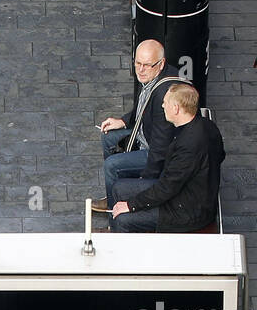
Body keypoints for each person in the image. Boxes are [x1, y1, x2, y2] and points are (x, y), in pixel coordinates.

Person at [110, 84, 225, 233]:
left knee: (123, 220)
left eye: (165, 103)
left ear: (176, 108)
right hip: (185, 193)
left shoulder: (188, 145)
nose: (163, 106)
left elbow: (167, 189)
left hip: (186, 210)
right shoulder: (207, 125)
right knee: (119, 188)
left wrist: (131, 205)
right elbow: (221, 155)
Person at [93, 40, 187, 213]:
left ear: (161, 64)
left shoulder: (165, 96)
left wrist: (143, 183)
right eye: (137, 63)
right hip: (145, 131)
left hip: (154, 150)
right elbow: (143, 105)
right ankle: (113, 194)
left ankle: (116, 210)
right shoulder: (150, 75)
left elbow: (160, 150)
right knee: (108, 137)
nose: (141, 70)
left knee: (111, 166)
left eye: (147, 65)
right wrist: (123, 121)